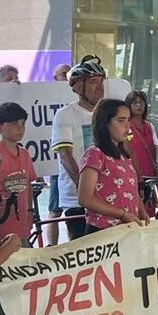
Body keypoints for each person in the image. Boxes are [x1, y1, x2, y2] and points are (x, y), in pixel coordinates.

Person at [51, 55, 106, 240]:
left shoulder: (107, 112)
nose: (99, 87)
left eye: (101, 82)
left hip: (107, 195)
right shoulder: (65, 115)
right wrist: (83, 187)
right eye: (93, 82)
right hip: (77, 199)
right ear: (77, 87)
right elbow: (65, 156)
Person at [78, 99, 148, 233]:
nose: (128, 126)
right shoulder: (95, 154)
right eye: (121, 121)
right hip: (102, 232)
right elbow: (85, 198)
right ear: (105, 123)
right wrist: (122, 214)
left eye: (128, 120)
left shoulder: (124, 155)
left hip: (125, 230)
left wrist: (140, 209)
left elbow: (130, 189)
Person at [0, 102, 37, 247]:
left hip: (23, 224)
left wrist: (30, 210)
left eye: (23, 123)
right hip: (1, 228)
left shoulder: (24, 153)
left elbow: (28, 184)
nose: (20, 128)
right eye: (13, 124)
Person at [47, 63, 71, 245]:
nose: (67, 76)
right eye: (64, 74)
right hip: (57, 164)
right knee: (55, 209)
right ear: (55, 78)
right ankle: (52, 247)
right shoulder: (46, 94)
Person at [126, 90, 158, 178]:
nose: (139, 105)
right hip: (131, 173)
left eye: (141, 102)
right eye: (135, 103)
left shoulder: (149, 126)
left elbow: (154, 149)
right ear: (129, 106)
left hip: (149, 173)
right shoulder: (125, 126)